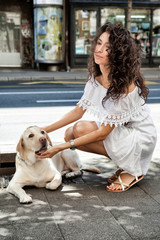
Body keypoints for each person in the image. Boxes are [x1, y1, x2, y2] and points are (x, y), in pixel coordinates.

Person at [37, 22, 157, 192]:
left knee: (80, 130)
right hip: (122, 132)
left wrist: (58, 148)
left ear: (118, 55)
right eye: (99, 43)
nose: (99, 50)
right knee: (69, 133)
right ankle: (126, 162)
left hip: (141, 138)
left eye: (107, 48)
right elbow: (78, 111)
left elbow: (102, 133)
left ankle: (133, 169)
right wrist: (43, 130)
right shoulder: (97, 78)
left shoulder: (124, 85)